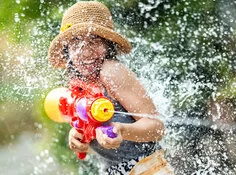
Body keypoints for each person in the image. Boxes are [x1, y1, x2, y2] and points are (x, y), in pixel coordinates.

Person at [47, 1, 165, 174]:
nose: (86, 52)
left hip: (147, 168)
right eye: (76, 42)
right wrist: (78, 138)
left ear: (107, 45)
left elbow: (157, 127)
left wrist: (122, 130)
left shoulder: (111, 72)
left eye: (94, 40)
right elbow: (99, 140)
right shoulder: (76, 85)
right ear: (67, 50)